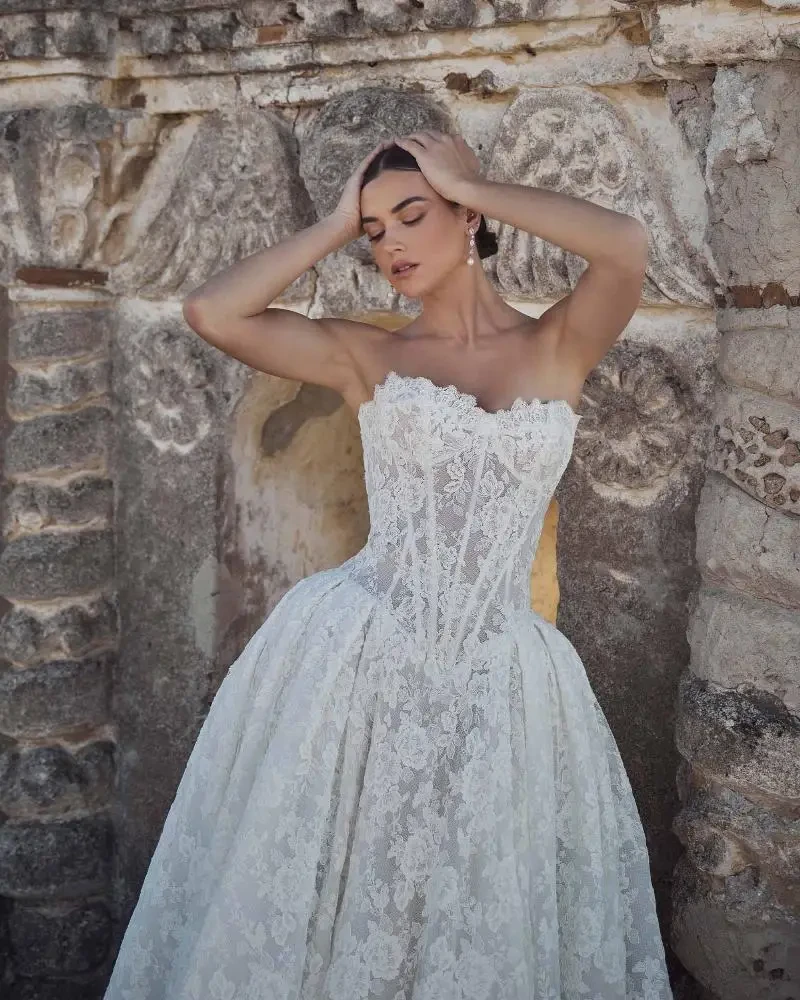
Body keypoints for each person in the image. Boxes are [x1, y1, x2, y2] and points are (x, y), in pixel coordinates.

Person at [103, 130, 673, 999]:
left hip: (503, 678)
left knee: (472, 909)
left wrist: (471, 180)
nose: (392, 243)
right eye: (378, 231)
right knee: (344, 893)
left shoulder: (557, 346)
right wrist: (336, 223)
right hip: (360, 656)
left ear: (467, 217)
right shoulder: (369, 356)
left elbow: (626, 245)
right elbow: (214, 314)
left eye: (413, 215)